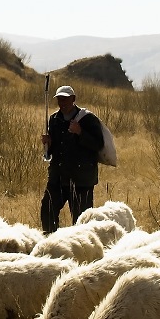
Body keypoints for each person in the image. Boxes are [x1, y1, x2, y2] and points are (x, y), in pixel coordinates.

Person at [39, 85, 105, 233]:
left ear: (73, 99)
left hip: (81, 180)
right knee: (47, 210)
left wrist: (80, 132)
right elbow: (52, 151)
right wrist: (48, 144)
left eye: (66, 99)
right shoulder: (54, 119)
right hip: (58, 178)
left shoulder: (88, 119)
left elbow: (98, 144)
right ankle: (51, 245)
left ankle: (83, 251)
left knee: (81, 221)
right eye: (60, 99)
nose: (62, 102)